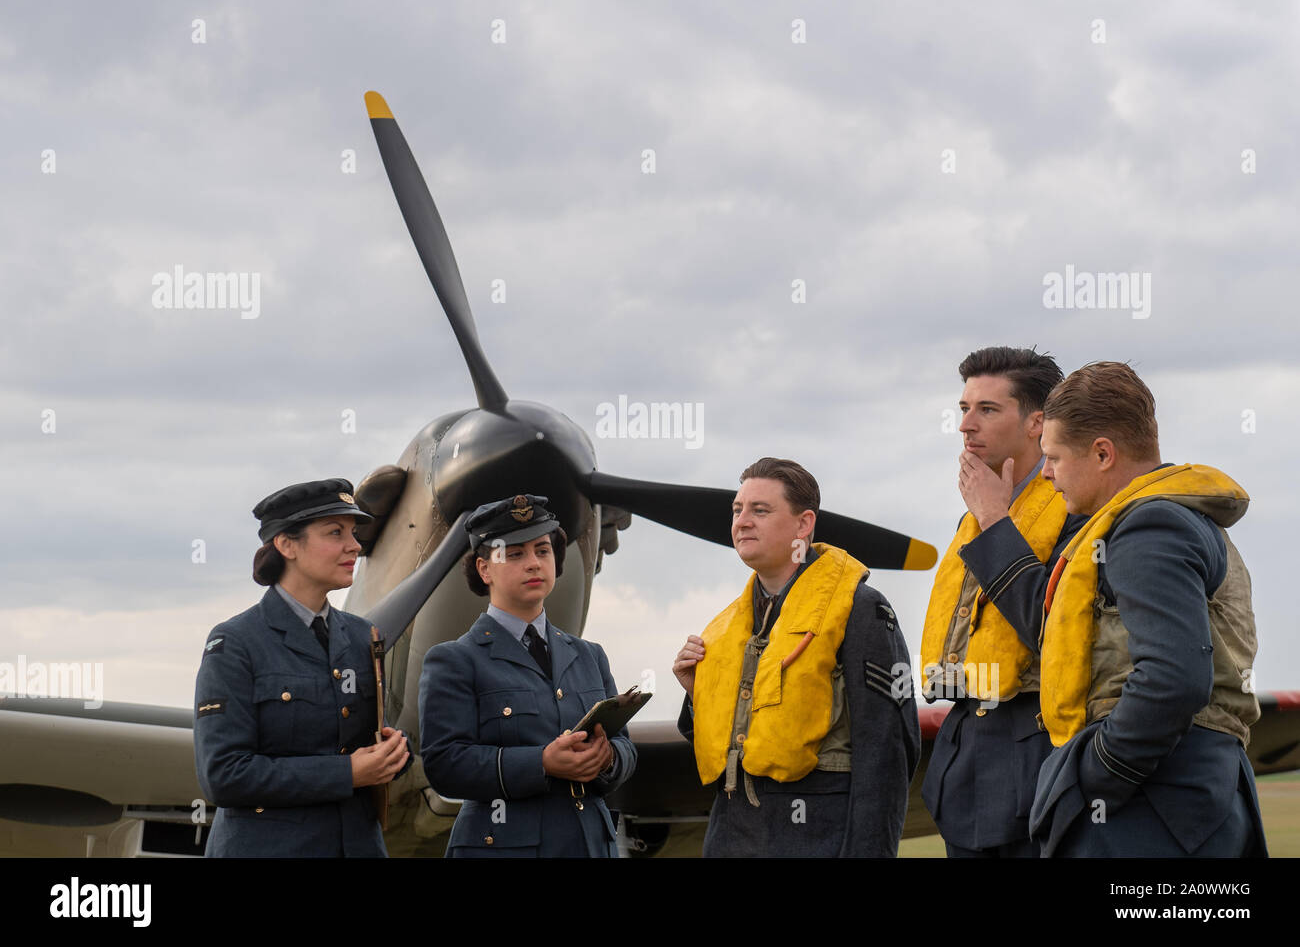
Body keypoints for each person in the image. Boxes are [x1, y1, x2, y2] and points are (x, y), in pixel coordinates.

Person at [1030, 362, 1266, 857]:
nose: (1046, 473)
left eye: (1052, 457)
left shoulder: (1149, 526)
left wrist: (1098, 773)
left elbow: (1174, 678)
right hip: (1192, 796)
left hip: (1153, 805)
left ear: (1102, 453)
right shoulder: (1190, 519)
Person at [673, 458, 919, 857]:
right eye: (737, 510)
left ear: (803, 525)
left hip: (817, 840)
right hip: (732, 841)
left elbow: (888, 754)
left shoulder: (861, 610)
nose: (742, 521)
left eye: (760, 510)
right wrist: (697, 694)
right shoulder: (727, 627)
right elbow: (724, 746)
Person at [919, 347, 1086, 857]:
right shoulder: (972, 517)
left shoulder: (1079, 515)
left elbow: (1053, 628)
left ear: (1038, 422)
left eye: (987, 410)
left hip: (1036, 762)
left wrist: (994, 521)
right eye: (964, 409)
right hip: (967, 768)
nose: (967, 425)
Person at [194, 478, 411, 857]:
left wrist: (392, 755)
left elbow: (362, 747)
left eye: (354, 532)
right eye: (335, 532)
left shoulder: (364, 637)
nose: (355, 546)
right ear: (287, 544)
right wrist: (348, 773)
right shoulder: (235, 642)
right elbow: (223, 776)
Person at [419, 494, 636, 857]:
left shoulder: (589, 655)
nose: (534, 563)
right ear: (484, 569)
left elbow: (626, 747)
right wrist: (541, 763)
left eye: (543, 550)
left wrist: (609, 758)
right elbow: (444, 764)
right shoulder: (454, 660)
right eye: (515, 554)